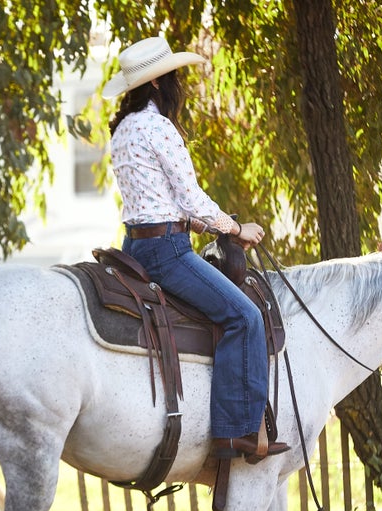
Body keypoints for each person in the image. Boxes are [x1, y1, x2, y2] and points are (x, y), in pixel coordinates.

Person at [103, 37, 289, 461]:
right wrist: (237, 227)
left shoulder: (123, 130)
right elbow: (189, 197)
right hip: (167, 251)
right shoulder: (158, 127)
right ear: (156, 85)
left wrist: (209, 224)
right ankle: (237, 432)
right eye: (173, 77)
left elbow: (163, 201)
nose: (178, 86)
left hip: (134, 245)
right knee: (244, 315)